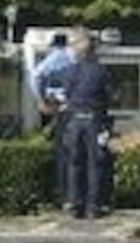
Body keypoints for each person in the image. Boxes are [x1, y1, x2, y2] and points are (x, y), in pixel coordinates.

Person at [60, 31, 113, 219]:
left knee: (74, 163)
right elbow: (110, 96)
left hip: (74, 121)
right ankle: (93, 205)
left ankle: (75, 203)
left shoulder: (69, 71)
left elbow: (66, 94)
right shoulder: (102, 71)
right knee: (95, 163)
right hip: (95, 120)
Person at [30, 33, 75, 207]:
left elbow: (36, 76)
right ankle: (70, 194)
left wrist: (40, 99)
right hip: (71, 107)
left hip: (56, 107)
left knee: (60, 152)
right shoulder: (72, 59)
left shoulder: (55, 57)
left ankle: (60, 193)